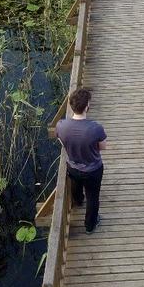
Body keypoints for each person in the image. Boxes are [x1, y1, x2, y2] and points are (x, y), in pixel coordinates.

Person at [55, 87, 107, 233]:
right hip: (93, 170)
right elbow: (102, 147)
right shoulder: (96, 128)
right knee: (93, 197)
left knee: (76, 185)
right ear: (87, 106)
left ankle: (78, 201)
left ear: (72, 106)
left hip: (73, 167)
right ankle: (90, 226)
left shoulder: (61, 125)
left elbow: (61, 141)